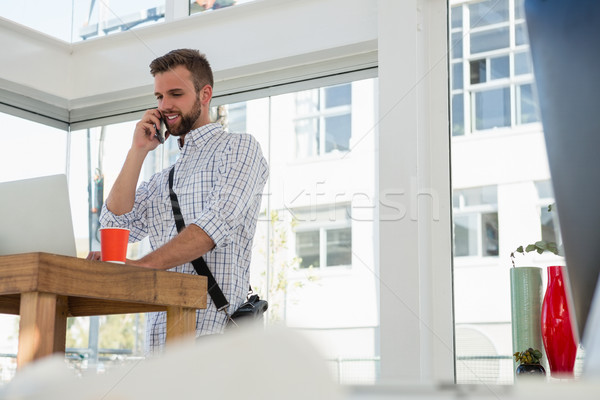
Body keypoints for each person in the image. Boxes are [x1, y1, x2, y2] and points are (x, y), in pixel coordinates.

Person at [87, 49, 269, 353]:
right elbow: (114, 226)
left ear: (205, 94)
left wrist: (143, 267)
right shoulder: (163, 178)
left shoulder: (239, 148)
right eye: (159, 97)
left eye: (175, 94)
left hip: (214, 339)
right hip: (160, 344)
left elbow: (215, 224)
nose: (165, 105)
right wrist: (138, 151)